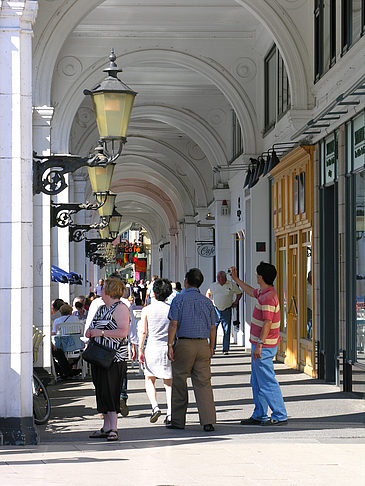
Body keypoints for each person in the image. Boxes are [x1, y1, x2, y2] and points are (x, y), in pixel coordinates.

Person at [231, 262, 288, 426]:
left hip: (264, 346)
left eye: (257, 274)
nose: (256, 276)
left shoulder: (268, 297)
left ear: (261, 277)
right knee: (257, 381)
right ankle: (260, 414)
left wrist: (261, 344)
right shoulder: (264, 292)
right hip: (261, 345)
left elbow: (268, 322)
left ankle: (279, 414)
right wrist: (236, 279)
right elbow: (250, 291)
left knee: (267, 381)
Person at [167, 268, 217, 432]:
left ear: (186, 281)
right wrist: (211, 347)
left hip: (184, 343)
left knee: (180, 380)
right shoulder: (207, 302)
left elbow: (173, 323)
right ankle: (208, 420)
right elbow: (213, 327)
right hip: (203, 344)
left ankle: (178, 420)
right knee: (203, 383)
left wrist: (169, 345)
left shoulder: (178, 300)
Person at [85, 277, 130, 441]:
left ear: (109, 291)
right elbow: (92, 327)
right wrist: (91, 332)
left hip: (114, 357)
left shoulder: (121, 308)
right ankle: (105, 426)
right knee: (102, 390)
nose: (100, 291)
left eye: (102, 288)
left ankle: (113, 427)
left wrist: (101, 333)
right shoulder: (101, 308)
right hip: (99, 356)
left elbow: (123, 332)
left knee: (112, 390)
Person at [139, 279, 173, 425]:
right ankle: (170, 413)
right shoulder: (171, 309)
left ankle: (155, 406)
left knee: (149, 378)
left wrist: (140, 349)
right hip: (167, 347)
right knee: (169, 382)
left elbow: (143, 332)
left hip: (152, 347)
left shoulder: (147, 310)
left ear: (153, 293)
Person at [206, 271, 242, 354]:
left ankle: (225, 349)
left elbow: (239, 293)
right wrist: (210, 301)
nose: (220, 279)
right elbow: (208, 293)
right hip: (215, 310)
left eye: (222, 278)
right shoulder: (213, 285)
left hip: (227, 309)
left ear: (225, 278)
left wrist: (236, 302)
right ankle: (212, 348)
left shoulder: (231, 284)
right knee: (213, 328)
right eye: (218, 278)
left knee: (226, 329)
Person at [51, 304, 82, 379]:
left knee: (58, 353)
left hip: (62, 345)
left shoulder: (57, 321)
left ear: (61, 312)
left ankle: (66, 370)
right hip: (76, 345)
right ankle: (69, 369)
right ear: (70, 311)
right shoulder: (76, 319)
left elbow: (53, 333)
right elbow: (80, 331)